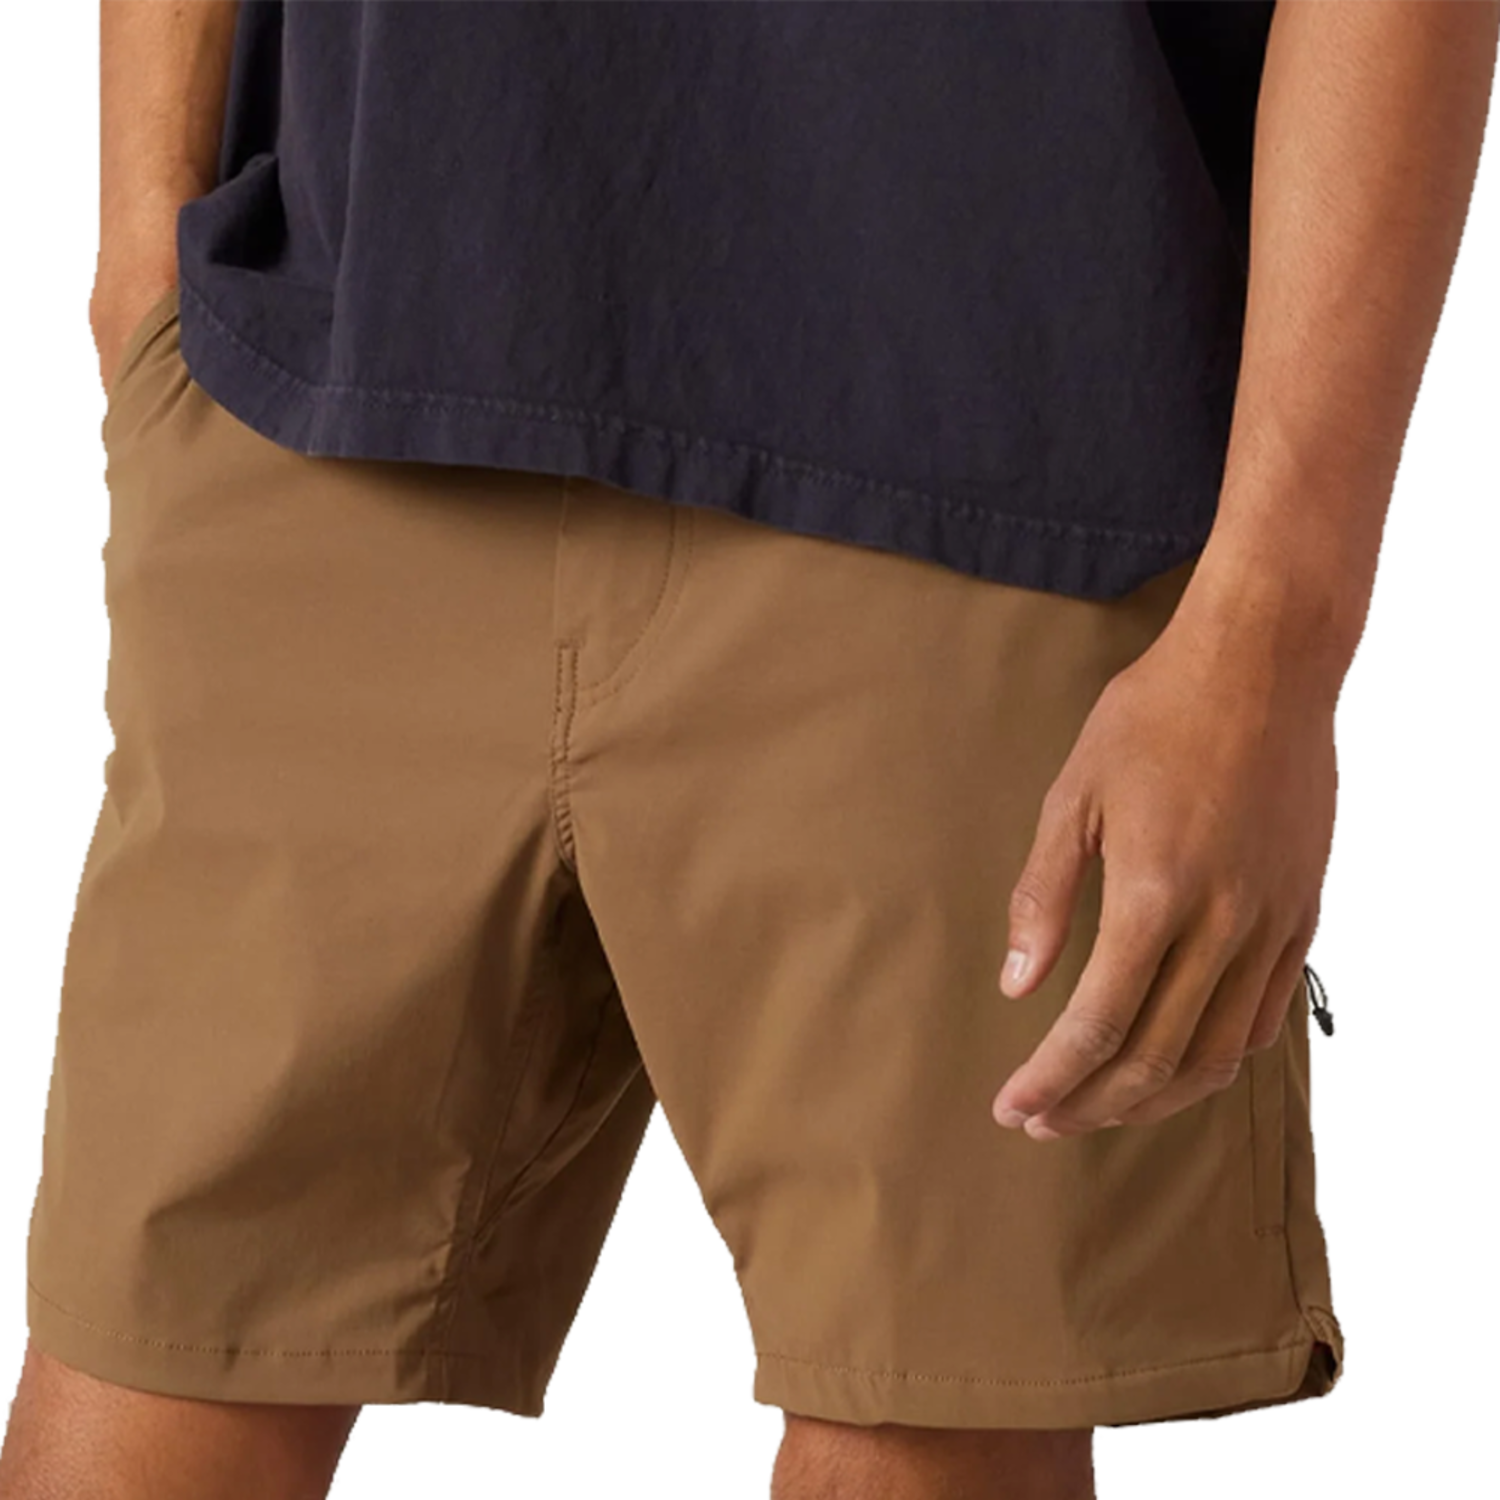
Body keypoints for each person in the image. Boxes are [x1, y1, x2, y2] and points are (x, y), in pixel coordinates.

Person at [4, 2, 1494, 1496]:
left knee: (921, 1422)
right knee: (145, 1377)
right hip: (342, 364)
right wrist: (140, 238)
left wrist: (1273, 635)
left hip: (987, 444)